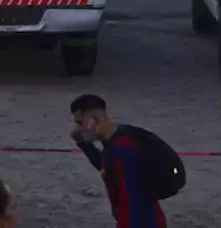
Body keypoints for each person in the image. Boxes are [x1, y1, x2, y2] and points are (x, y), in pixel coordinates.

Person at [69, 95, 166, 228]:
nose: (77, 129)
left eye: (80, 123)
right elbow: (108, 168)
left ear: (94, 120)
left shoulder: (121, 150)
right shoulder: (117, 137)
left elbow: (130, 200)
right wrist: (82, 143)